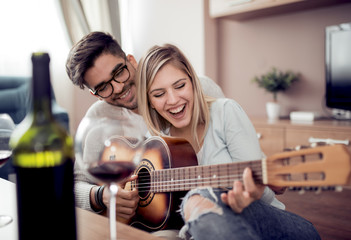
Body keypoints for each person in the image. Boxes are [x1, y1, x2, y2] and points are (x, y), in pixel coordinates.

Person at [136, 43, 321, 240]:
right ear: (150, 102)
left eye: (180, 85)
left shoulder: (226, 112)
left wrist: (254, 192)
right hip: (207, 229)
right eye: (159, 94)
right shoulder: (155, 145)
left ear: (193, 82)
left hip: (267, 223)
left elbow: (262, 190)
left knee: (199, 196)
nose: (172, 100)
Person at [65, 32, 225, 223]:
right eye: (103, 87)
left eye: (118, 73)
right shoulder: (97, 119)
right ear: (96, 95)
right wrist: (102, 196)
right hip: (143, 224)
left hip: (207, 210)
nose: (117, 88)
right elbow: (74, 185)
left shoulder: (197, 91)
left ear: (131, 61)